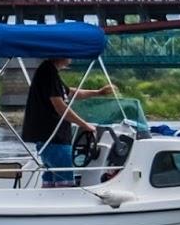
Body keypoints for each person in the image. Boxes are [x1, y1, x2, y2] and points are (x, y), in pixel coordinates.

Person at [20, 57, 117, 187]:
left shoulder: (49, 72)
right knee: (65, 180)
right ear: (62, 55)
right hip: (54, 139)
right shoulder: (48, 73)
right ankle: (64, 201)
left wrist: (98, 92)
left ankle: (46, 200)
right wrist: (85, 125)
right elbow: (60, 107)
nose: (72, 57)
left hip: (47, 139)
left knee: (51, 176)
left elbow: (71, 92)